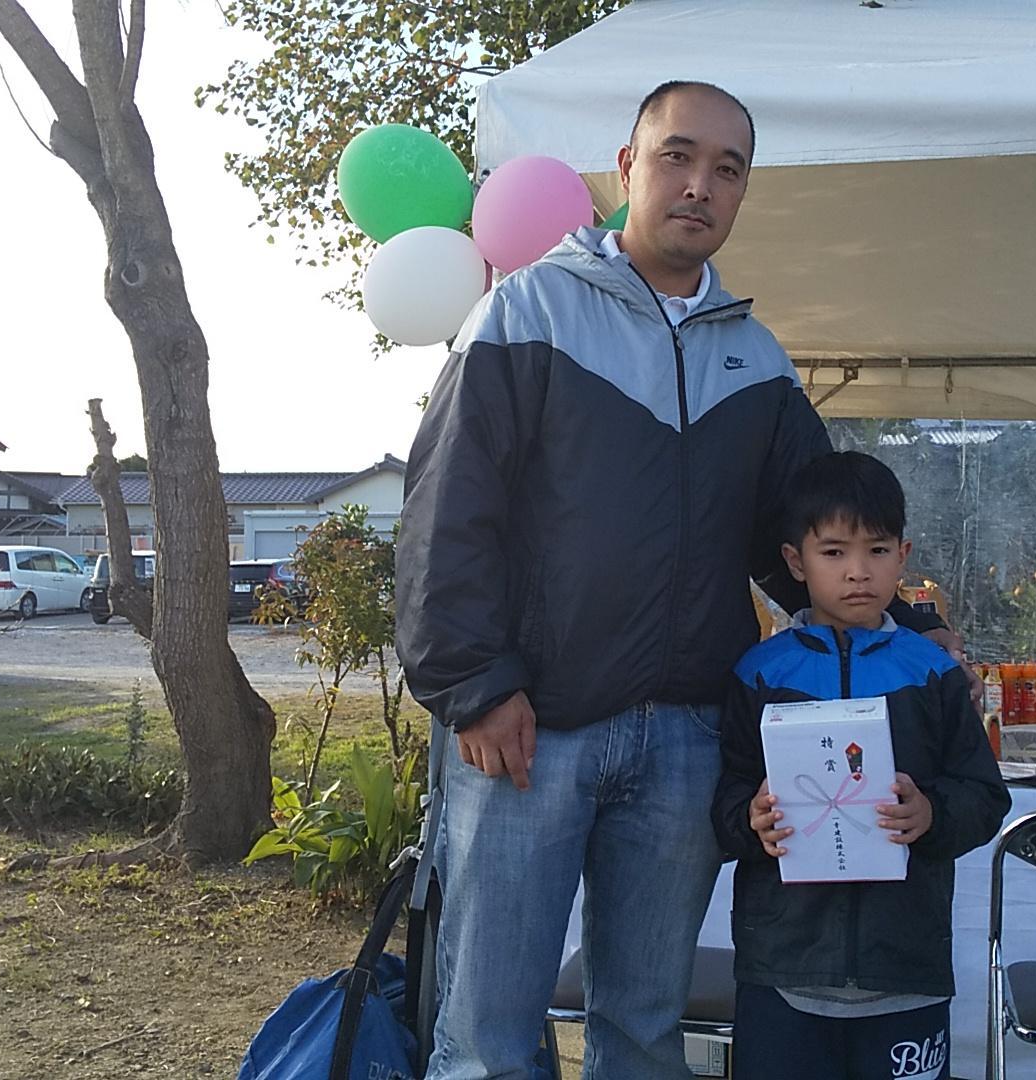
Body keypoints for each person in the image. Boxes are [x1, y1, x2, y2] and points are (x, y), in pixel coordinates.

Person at [395, 82, 964, 1080]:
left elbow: (813, 536)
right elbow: (448, 506)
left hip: (691, 740)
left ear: (742, 192)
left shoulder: (756, 357)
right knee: (486, 1041)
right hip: (527, 730)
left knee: (645, 1034)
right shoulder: (527, 311)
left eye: (727, 169)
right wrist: (474, 683)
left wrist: (909, 633)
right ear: (628, 168)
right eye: (678, 156)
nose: (700, 184)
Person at [711, 452, 1009, 1080]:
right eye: (833, 552)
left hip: (904, 967)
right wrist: (750, 819)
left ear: (903, 556)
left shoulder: (932, 674)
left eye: (877, 550)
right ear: (796, 561)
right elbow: (725, 793)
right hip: (783, 969)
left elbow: (985, 794)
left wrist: (931, 814)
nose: (857, 572)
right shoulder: (760, 672)